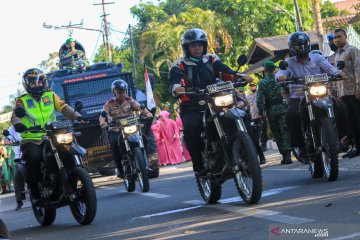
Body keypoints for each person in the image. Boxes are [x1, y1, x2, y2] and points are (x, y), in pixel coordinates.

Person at [169, 28, 253, 176]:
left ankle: (251, 151)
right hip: (193, 105)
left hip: (216, 100)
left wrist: (240, 76)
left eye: (200, 44)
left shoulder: (212, 59)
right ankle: (199, 165)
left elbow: (226, 72)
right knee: (192, 126)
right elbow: (175, 81)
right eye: (193, 45)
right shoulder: (179, 65)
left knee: (241, 114)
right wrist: (178, 88)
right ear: (187, 48)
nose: (197, 48)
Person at [11, 68, 85, 205]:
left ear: (44, 82)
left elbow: (64, 108)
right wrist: (18, 125)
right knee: (33, 158)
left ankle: (76, 178)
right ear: (27, 84)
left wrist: (78, 117)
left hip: (52, 135)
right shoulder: (22, 100)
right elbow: (15, 116)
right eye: (33, 83)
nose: (37, 85)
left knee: (69, 148)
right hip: (33, 139)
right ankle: (35, 193)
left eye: (40, 82)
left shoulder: (51, 95)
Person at [276, 32, 345, 162]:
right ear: (292, 47)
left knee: (339, 105)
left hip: (321, 93)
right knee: (291, 114)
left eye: (303, 44)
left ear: (308, 44)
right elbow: (280, 74)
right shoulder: (288, 63)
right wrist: (281, 77)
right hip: (299, 97)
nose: (301, 47)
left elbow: (329, 68)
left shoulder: (317, 58)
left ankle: (342, 137)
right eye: (298, 45)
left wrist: (338, 73)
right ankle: (300, 146)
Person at [99, 80, 153, 178]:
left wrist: (147, 113)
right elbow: (102, 115)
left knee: (144, 138)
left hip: (131, 127)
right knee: (114, 143)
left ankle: (146, 161)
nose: (121, 93)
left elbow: (140, 107)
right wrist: (103, 122)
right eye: (118, 91)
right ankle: (120, 169)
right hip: (116, 129)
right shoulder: (109, 104)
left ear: (126, 91)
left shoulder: (130, 100)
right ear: (114, 92)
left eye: (123, 91)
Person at [257, 61, 292, 164]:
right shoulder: (279, 79)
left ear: (265, 70)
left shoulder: (263, 82)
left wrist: (261, 112)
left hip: (271, 110)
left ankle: (284, 155)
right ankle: (288, 154)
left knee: (277, 133)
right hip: (282, 107)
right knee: (284, 131)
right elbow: (287, 88)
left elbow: (259, 99)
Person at [333, 28, 360, 158]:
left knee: (358, 119)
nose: (337, 39)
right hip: (343, 93)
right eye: (335, 37)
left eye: (339, 36)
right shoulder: (336, 54)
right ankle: (357, 147)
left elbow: (358, 69)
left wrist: (358, 88)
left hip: (354, 91)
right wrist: (337, 92)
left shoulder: (352, 50)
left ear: (345, 37)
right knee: (351, 122)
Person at [4, 125, 25, 210]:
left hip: (33, 149)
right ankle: (19, 201)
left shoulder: (30, 121)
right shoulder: (11, 129)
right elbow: (6, 139)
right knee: (17, 177)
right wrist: (8, 142)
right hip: (19, 156)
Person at [246, 82, 268, 151]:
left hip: (262, 115)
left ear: (256, 86)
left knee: (263, 130)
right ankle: (257, 146)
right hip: (254, 116)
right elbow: (247, 106)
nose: (252, 87)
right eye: (251, 86)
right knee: (255, 132)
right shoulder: (248, 96)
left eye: (253, 86)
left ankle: (264, 144)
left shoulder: (260, 94)